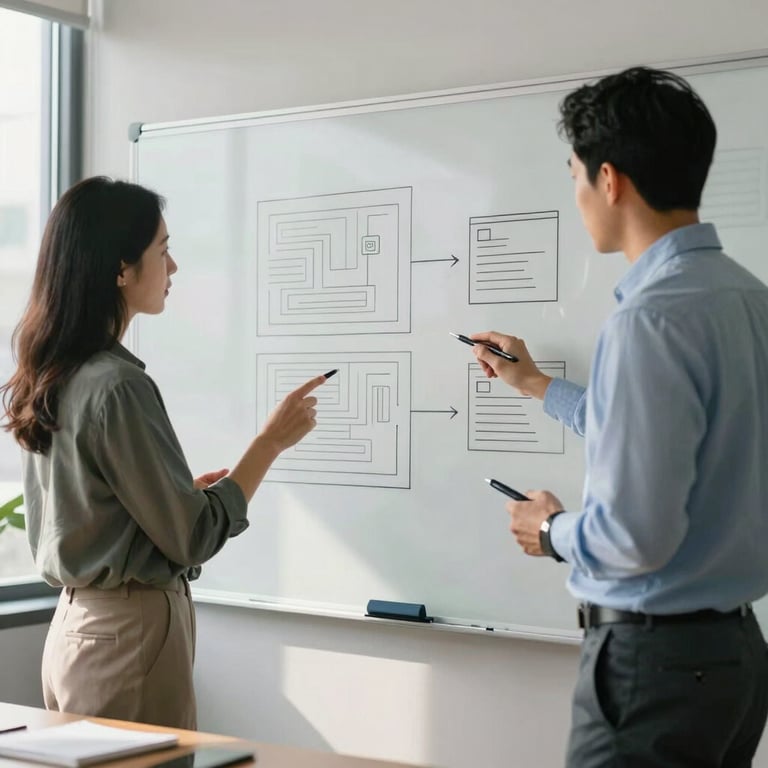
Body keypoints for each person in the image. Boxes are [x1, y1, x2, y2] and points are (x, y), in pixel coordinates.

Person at [470, 67, 768, 766]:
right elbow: (683, 439)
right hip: (734, 656)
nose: (576, 197)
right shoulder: (750, 301)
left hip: (653, 666)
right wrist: (537, 384)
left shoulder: (651, 319)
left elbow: (635, 537)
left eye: (574, 175)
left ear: (611, 180)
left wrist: (547, 528)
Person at [0, 176, 328, 730]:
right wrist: (269, 443)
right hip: (128, 636)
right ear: (121, 269)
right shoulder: (117, 384)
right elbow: (193, 537)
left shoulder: (57, 371)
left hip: (78, 630)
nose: (173, 268)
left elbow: (88, 512)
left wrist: (179, 498)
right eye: (163, 250)